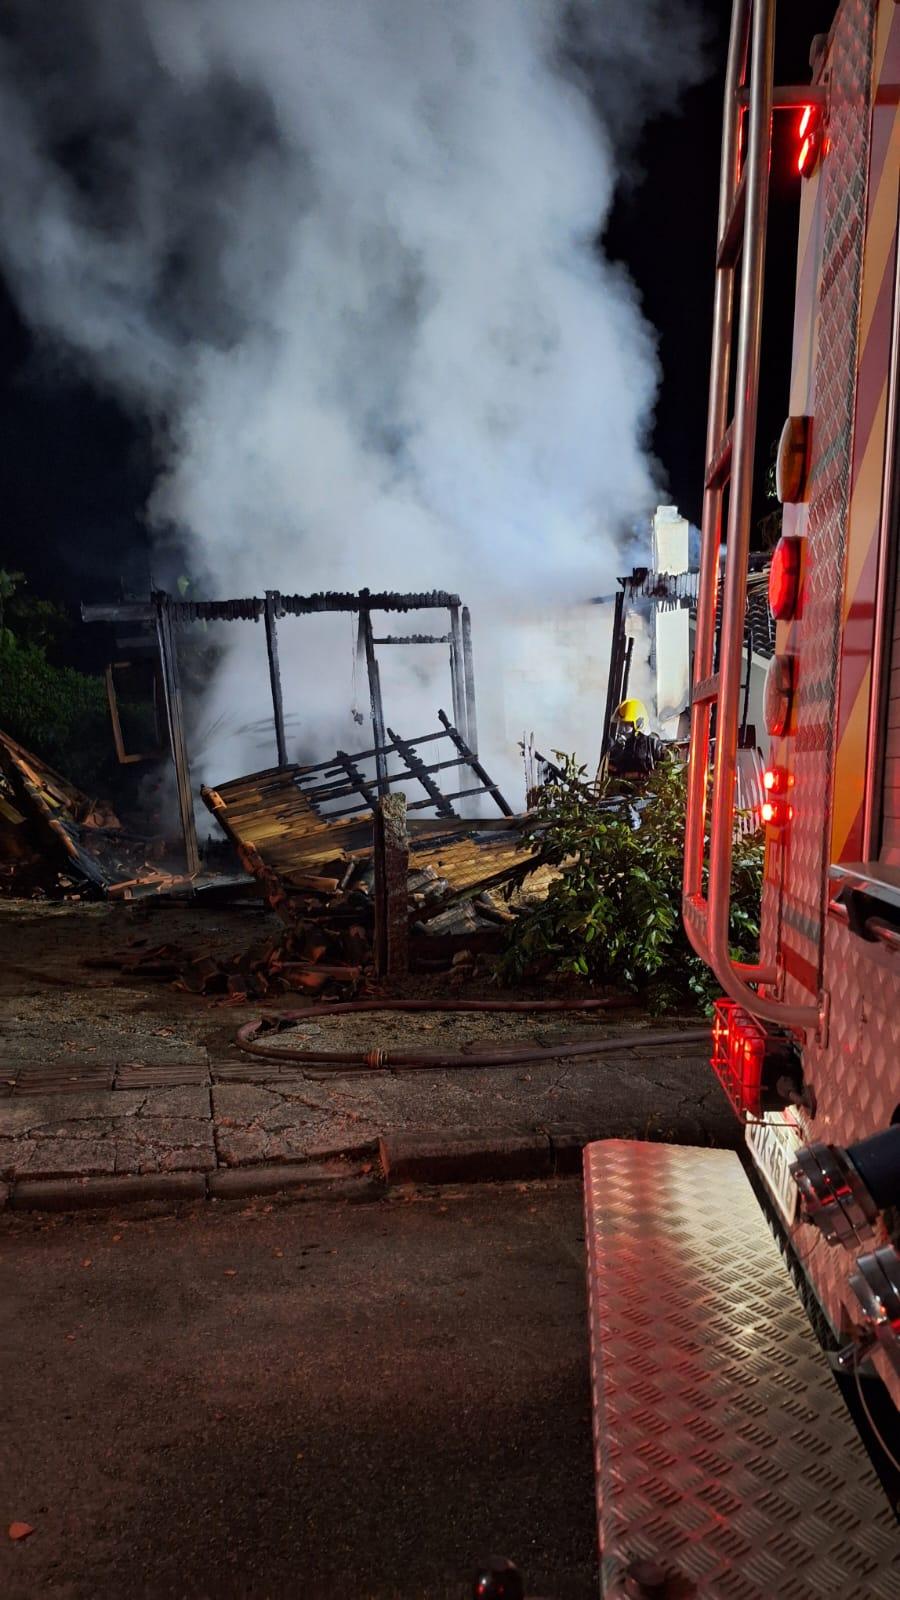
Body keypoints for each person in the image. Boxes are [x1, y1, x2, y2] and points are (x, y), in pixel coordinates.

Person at [606, 698, 665, 778]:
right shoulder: (617, 746)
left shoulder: (653, 746)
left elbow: (668, 766)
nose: (622, 728)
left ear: (639, 724)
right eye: (621, 723)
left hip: (644, 785)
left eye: (626, 724)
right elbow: (610, 769)